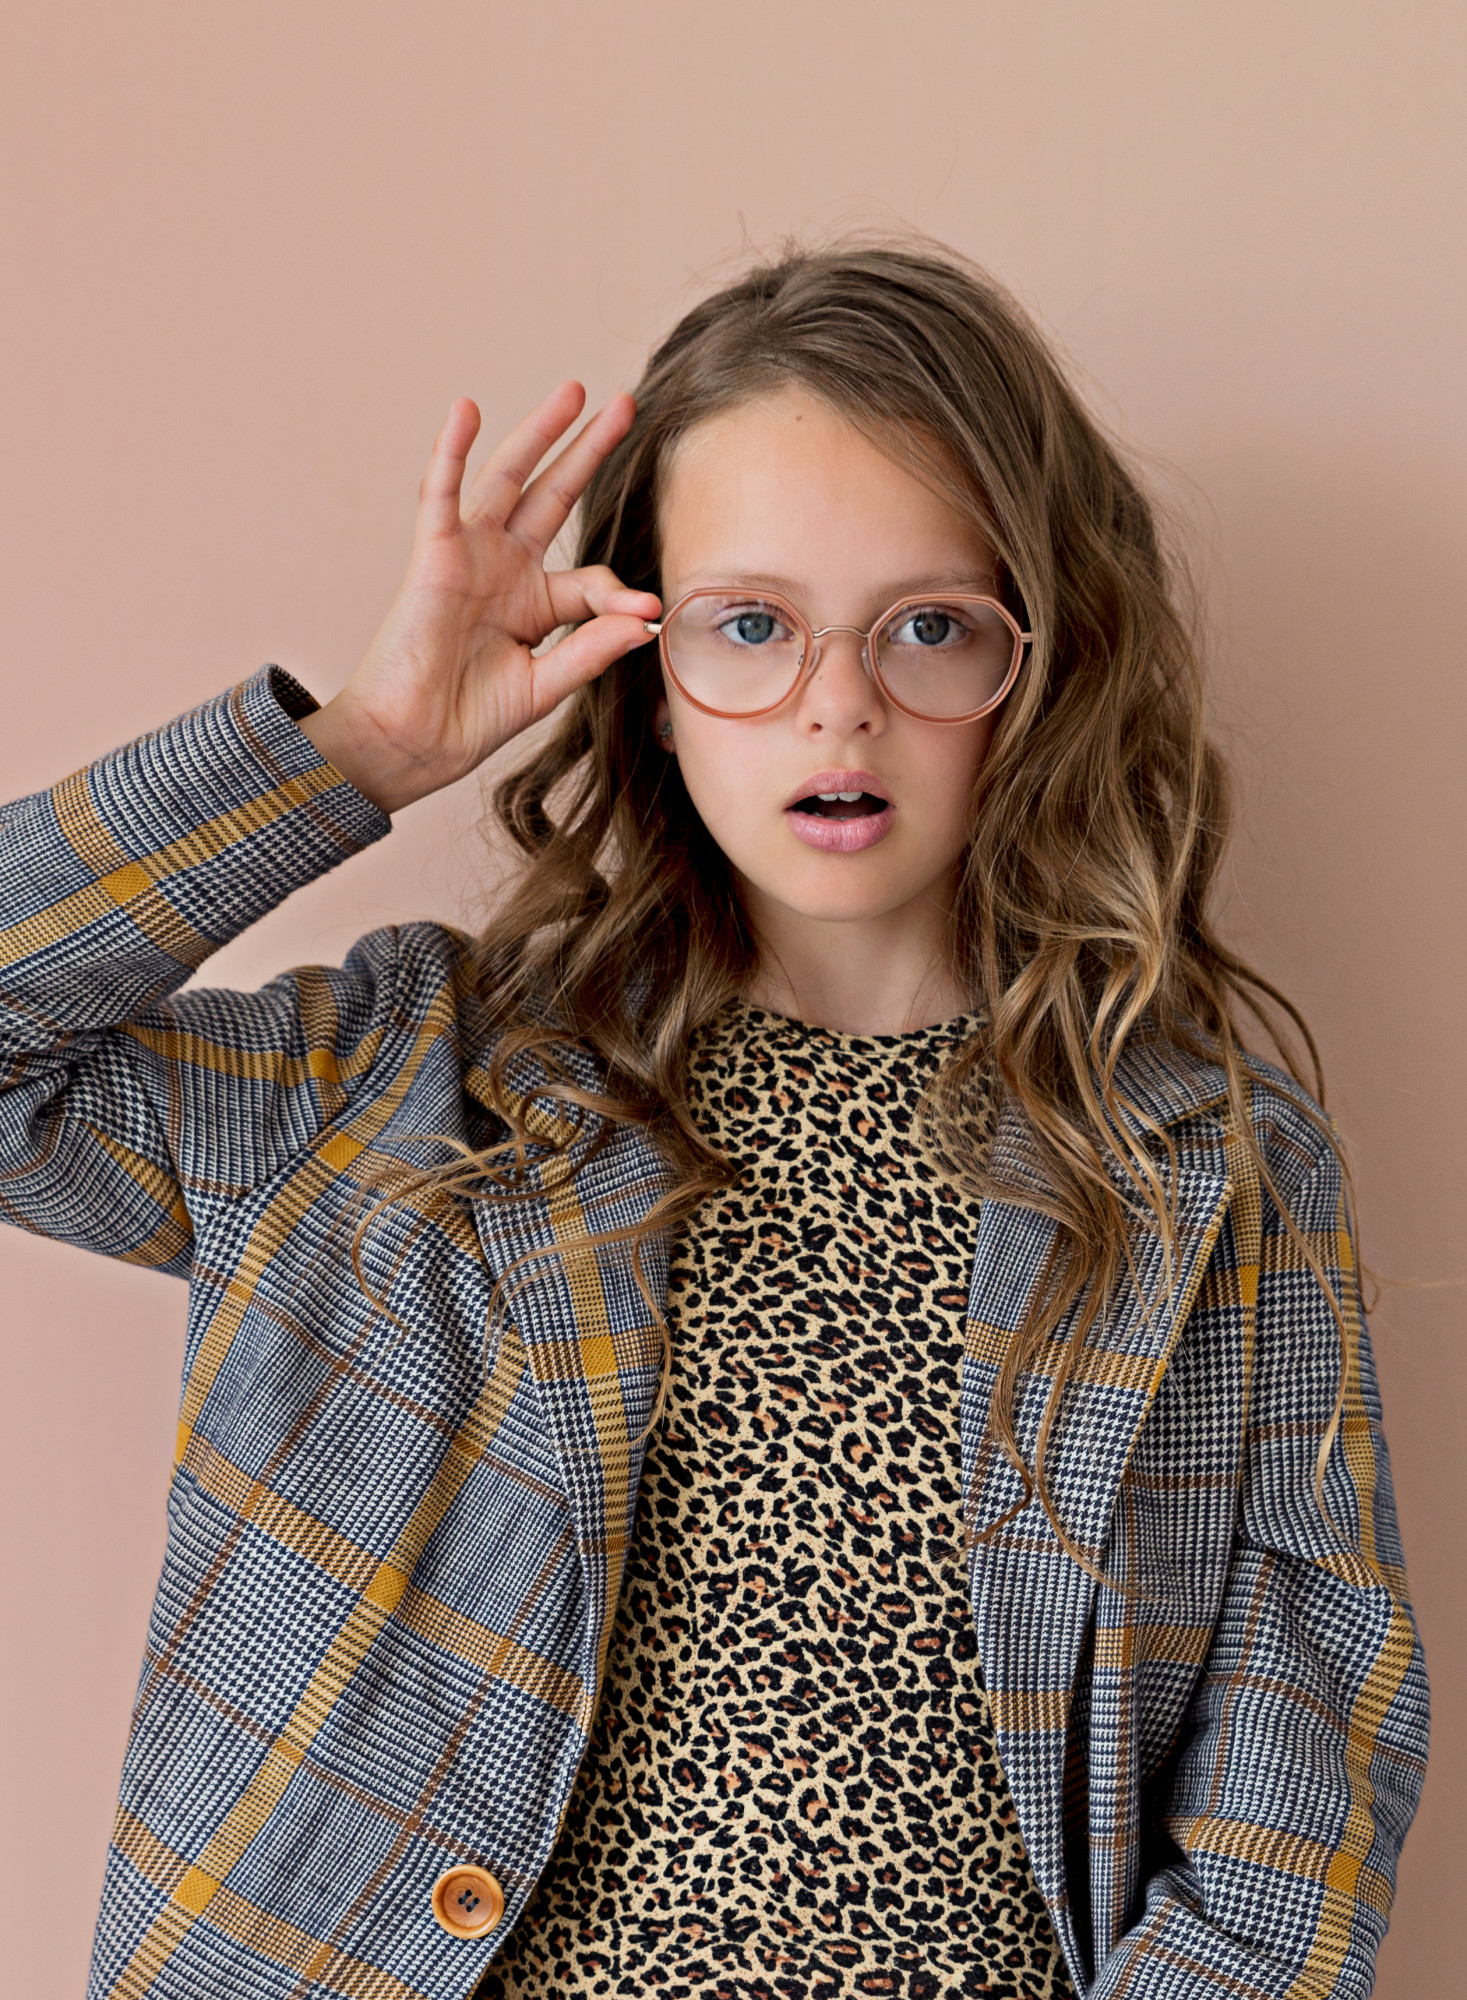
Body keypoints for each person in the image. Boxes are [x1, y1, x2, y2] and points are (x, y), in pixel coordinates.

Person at [0, 242, 1427, 2000]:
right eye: (752, 623)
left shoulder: (1201, 1169)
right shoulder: (390, 1086)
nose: (841, 703)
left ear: (1042, 664)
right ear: (648, 675)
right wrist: (361, 747)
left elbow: (1302, 1765)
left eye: (930, 625)